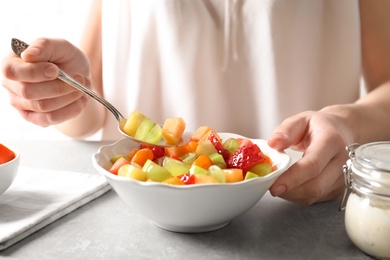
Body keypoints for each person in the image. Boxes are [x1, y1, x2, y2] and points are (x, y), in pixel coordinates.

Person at [2, 0, 390, 205]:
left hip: (298, 215)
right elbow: (86, 114)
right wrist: (64, 92)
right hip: (136, 227)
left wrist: (346, 121)